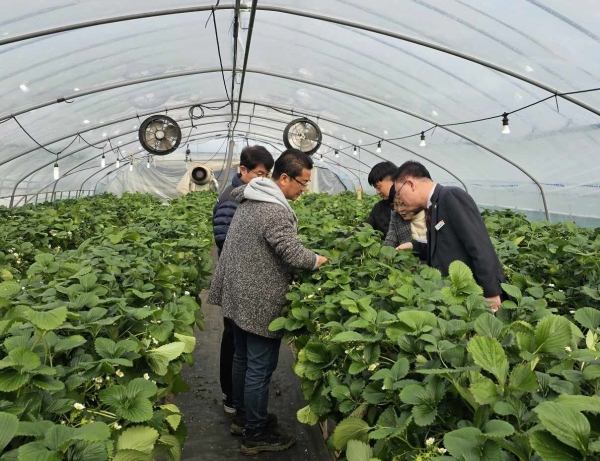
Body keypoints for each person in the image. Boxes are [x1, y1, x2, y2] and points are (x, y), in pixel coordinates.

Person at [208, 148, 328, 455]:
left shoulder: (251, 198)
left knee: (242, 359)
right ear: (284, 178)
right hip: (259, 297)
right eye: (303, 183)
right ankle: (256, 432)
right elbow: (292, 253)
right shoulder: (273, 209)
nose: (304, 189)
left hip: (239, 292)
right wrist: (318, 260)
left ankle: (244, 417)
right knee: (259, 368)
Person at [212, 145, 274, 414]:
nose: (264, 179)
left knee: (239, 343)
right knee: (234, 342)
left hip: (239, 279)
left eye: (267, 174)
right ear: (243, 170)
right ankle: (231, 397)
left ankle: (238, 398)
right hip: (235, 281)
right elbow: (225, 240)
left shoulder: (247, 194)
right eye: (259, 174)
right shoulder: (231, 199)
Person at [393, 161, 505, 311]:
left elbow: (479, 245)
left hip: (474, 294)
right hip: (456, 295)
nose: (400, 199)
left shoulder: (450, 196)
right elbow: (444, 245)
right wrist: (414, 246)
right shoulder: (433, 206)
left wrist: (491, 291)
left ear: (411, 184)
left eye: (399, 193)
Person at [364, 161, 397, 239]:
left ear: (393, 181)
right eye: (375, 188)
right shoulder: (379, 208)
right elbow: (365, 227)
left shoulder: (411, 206)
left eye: (378, 187)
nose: (377, 192)